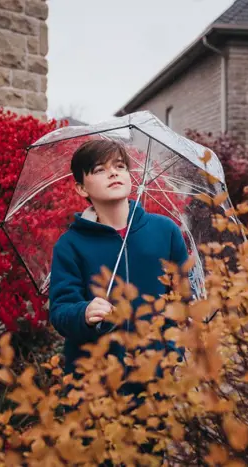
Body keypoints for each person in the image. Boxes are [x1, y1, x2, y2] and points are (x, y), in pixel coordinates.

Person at [49, 138, 189, 378]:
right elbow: (60, 311)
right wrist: (84, 313)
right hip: (93, 381)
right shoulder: (70, 245)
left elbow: (182, 299)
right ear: (81, 188)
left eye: (120, 166)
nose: (113, 173)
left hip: (154, 378)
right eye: (100, 169)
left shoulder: (165, 231)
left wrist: (172, 354)